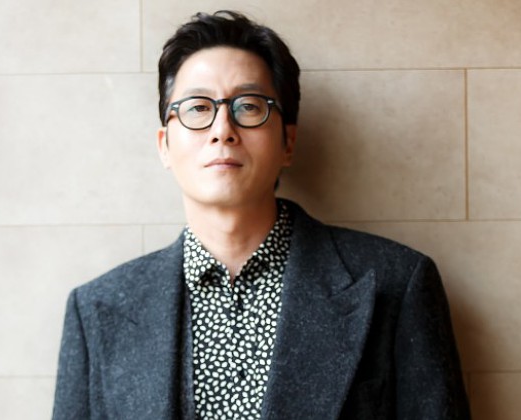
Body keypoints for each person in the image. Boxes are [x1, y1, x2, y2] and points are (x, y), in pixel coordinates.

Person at [53, 10, 470, 420]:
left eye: (249, 106)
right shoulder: (97, 310)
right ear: (164, 144)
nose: (222, 130)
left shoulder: (397, 283)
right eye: (197, 108)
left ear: (288, 142)